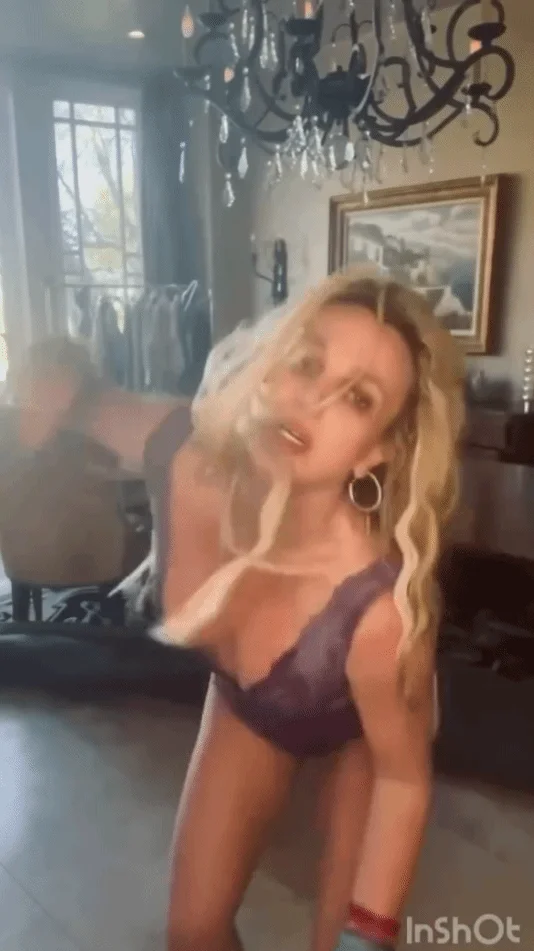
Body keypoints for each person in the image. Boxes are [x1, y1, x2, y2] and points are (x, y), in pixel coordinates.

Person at [12, 271, 464, 951]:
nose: (312, 398)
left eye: (357, 398)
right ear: (272, 363)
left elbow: (403, 781)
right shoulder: (181, 451)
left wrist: (365, 937)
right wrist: (39, 392)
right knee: (192, 932)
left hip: (365, 736)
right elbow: (67, 392)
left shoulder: (378, 614)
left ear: (375, 451)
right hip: (250, 700)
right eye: (307, 362)